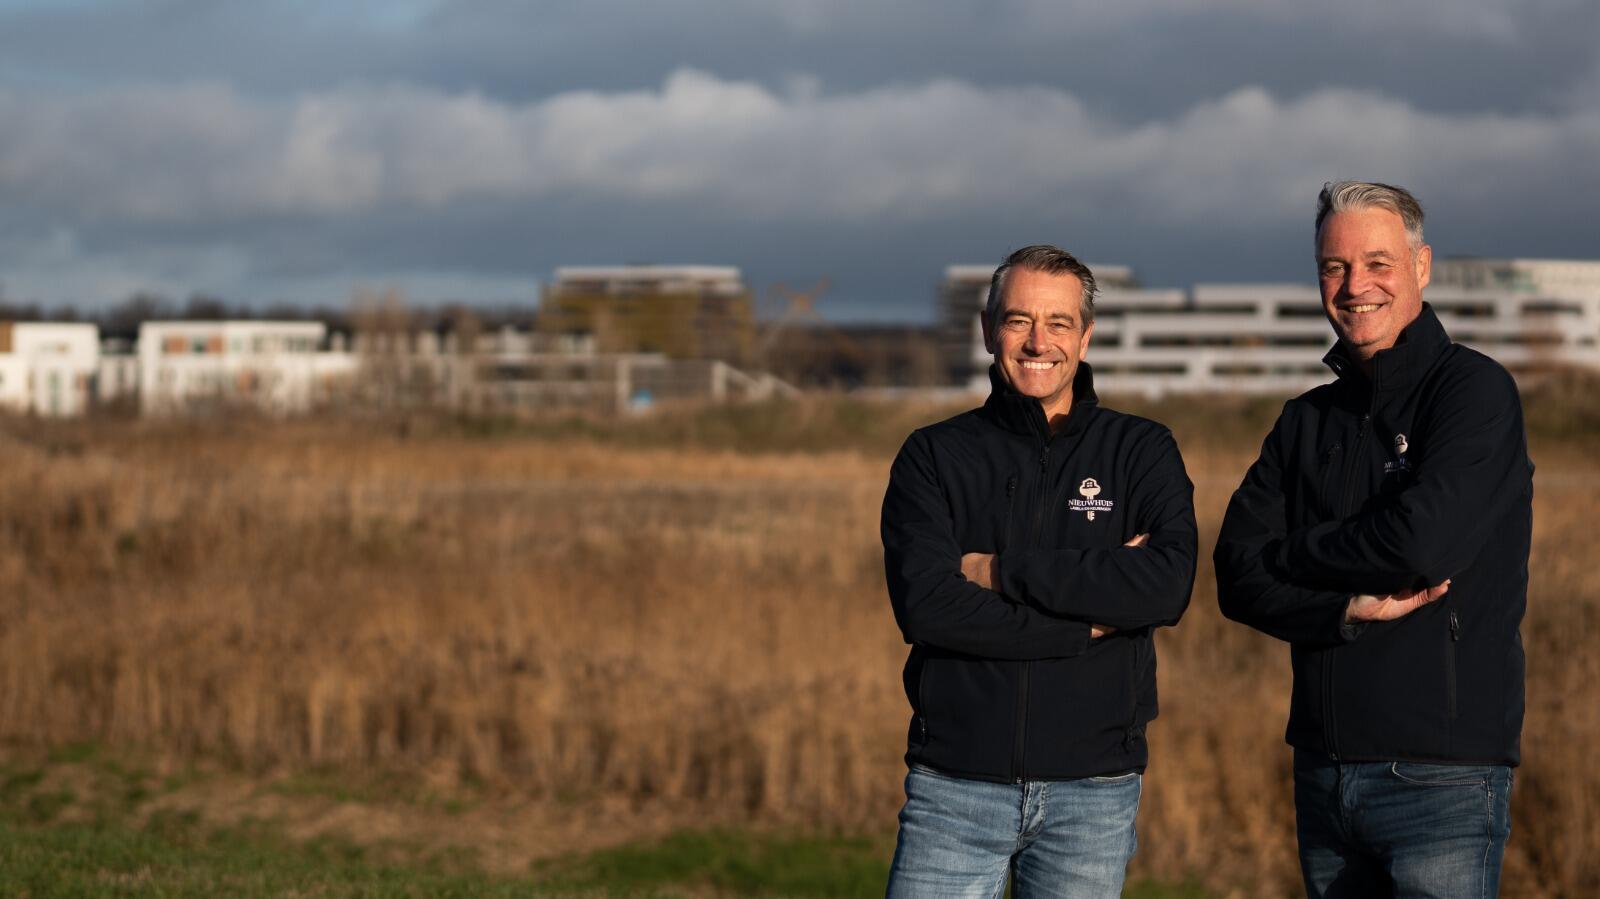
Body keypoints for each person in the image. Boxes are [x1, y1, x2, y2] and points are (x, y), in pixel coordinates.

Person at [1214, 181, 1532, 898]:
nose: (1356, 285)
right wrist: (1343, 608)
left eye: (1378, 263)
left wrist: (1294, 553)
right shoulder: (1305, 420)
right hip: (1324, 770)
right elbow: (1236, 574)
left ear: (1421, 267)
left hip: (1441, 774)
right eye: (1335, 266)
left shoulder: (1473, 393)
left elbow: (1421, 543)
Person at [881, 245, 1197, 898]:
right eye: (1018, 320)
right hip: (954, 784)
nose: (1037, 341)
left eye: (1057, 322)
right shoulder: (934, 455)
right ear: (988, 329)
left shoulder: (1141, 450)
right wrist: (1085, 627)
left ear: (1085, 336)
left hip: (1093, 790)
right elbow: (929, 606)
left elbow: (1164, 585)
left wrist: (998, 571)